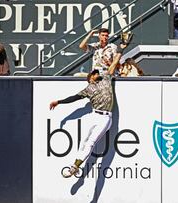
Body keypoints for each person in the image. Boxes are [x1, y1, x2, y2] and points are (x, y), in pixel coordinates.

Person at [49, 43, 127, 178]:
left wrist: (121, 48)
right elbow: (74, 98)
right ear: (90, 78)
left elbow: (114, 63)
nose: (97, 74)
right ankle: (75, 165)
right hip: (94, 115)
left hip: (105, 118)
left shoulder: (106, 79)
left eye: (96, 73)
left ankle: (75, 167)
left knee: (90, 142)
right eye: (94, 74)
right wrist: (59, 102)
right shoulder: (88, 89)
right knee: (83, 141)